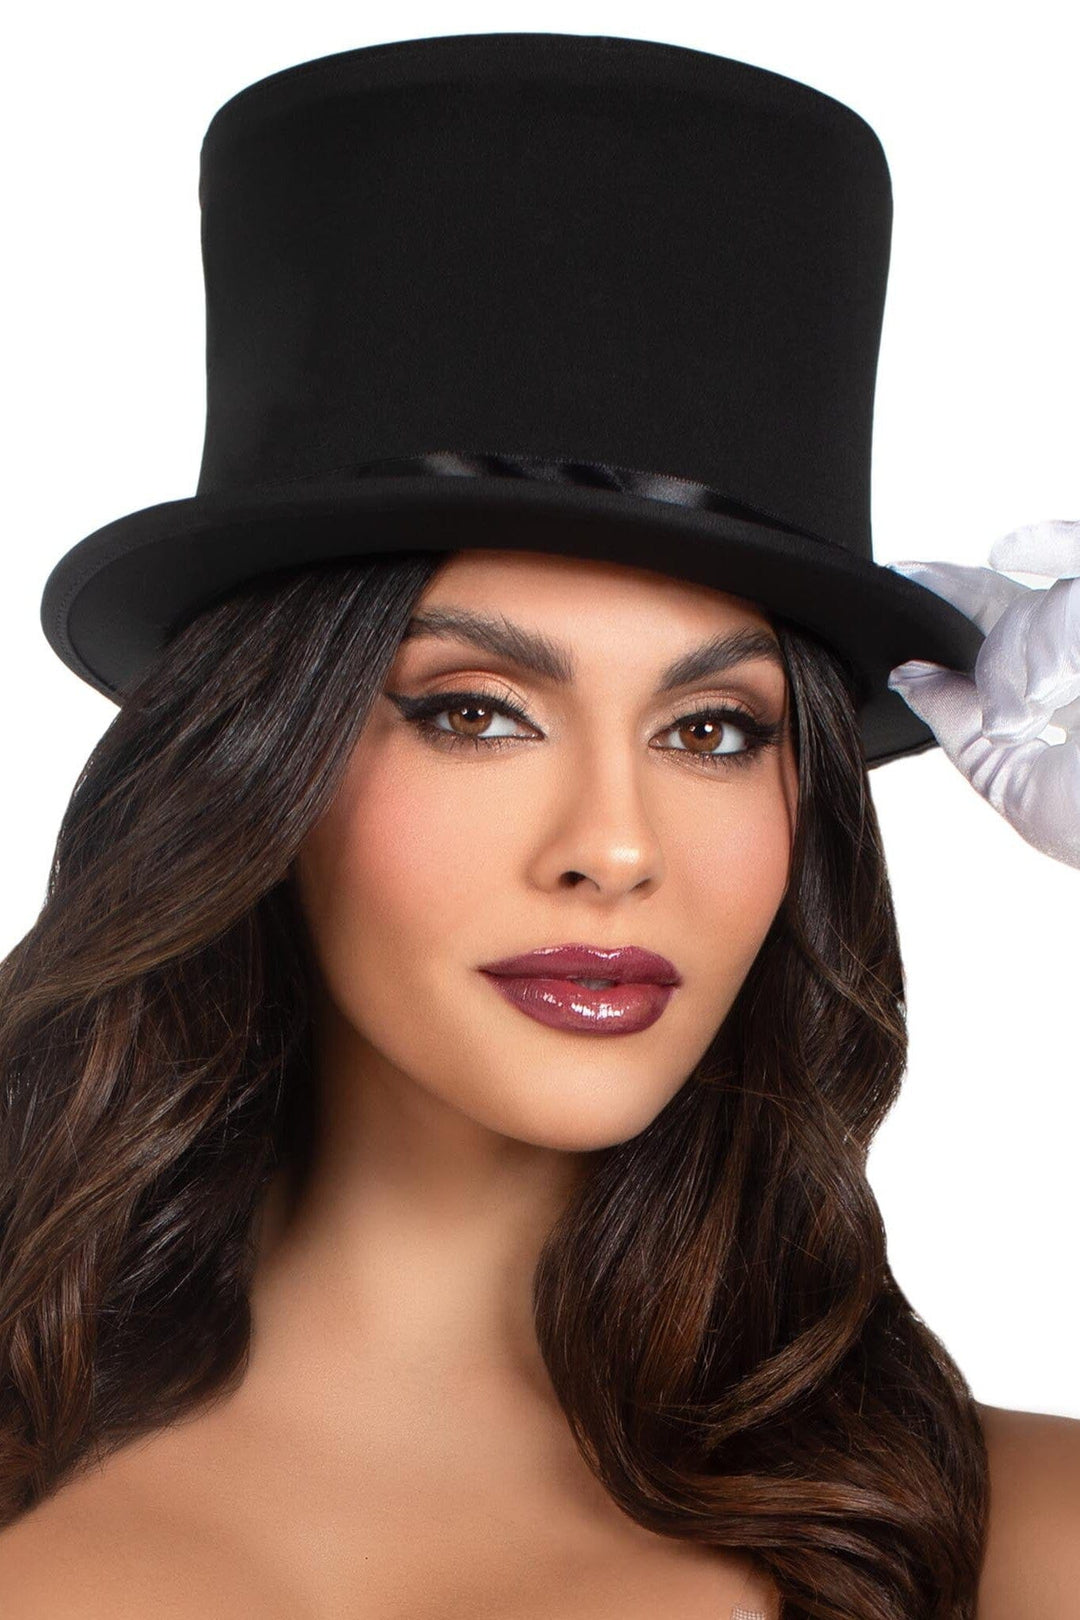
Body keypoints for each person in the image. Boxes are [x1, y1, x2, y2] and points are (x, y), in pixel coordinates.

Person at [1, 32, 1077, 1620]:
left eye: (712, 731)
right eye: (476, 713)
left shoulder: (1015, 1547)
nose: (616, 847)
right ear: (258, 758)